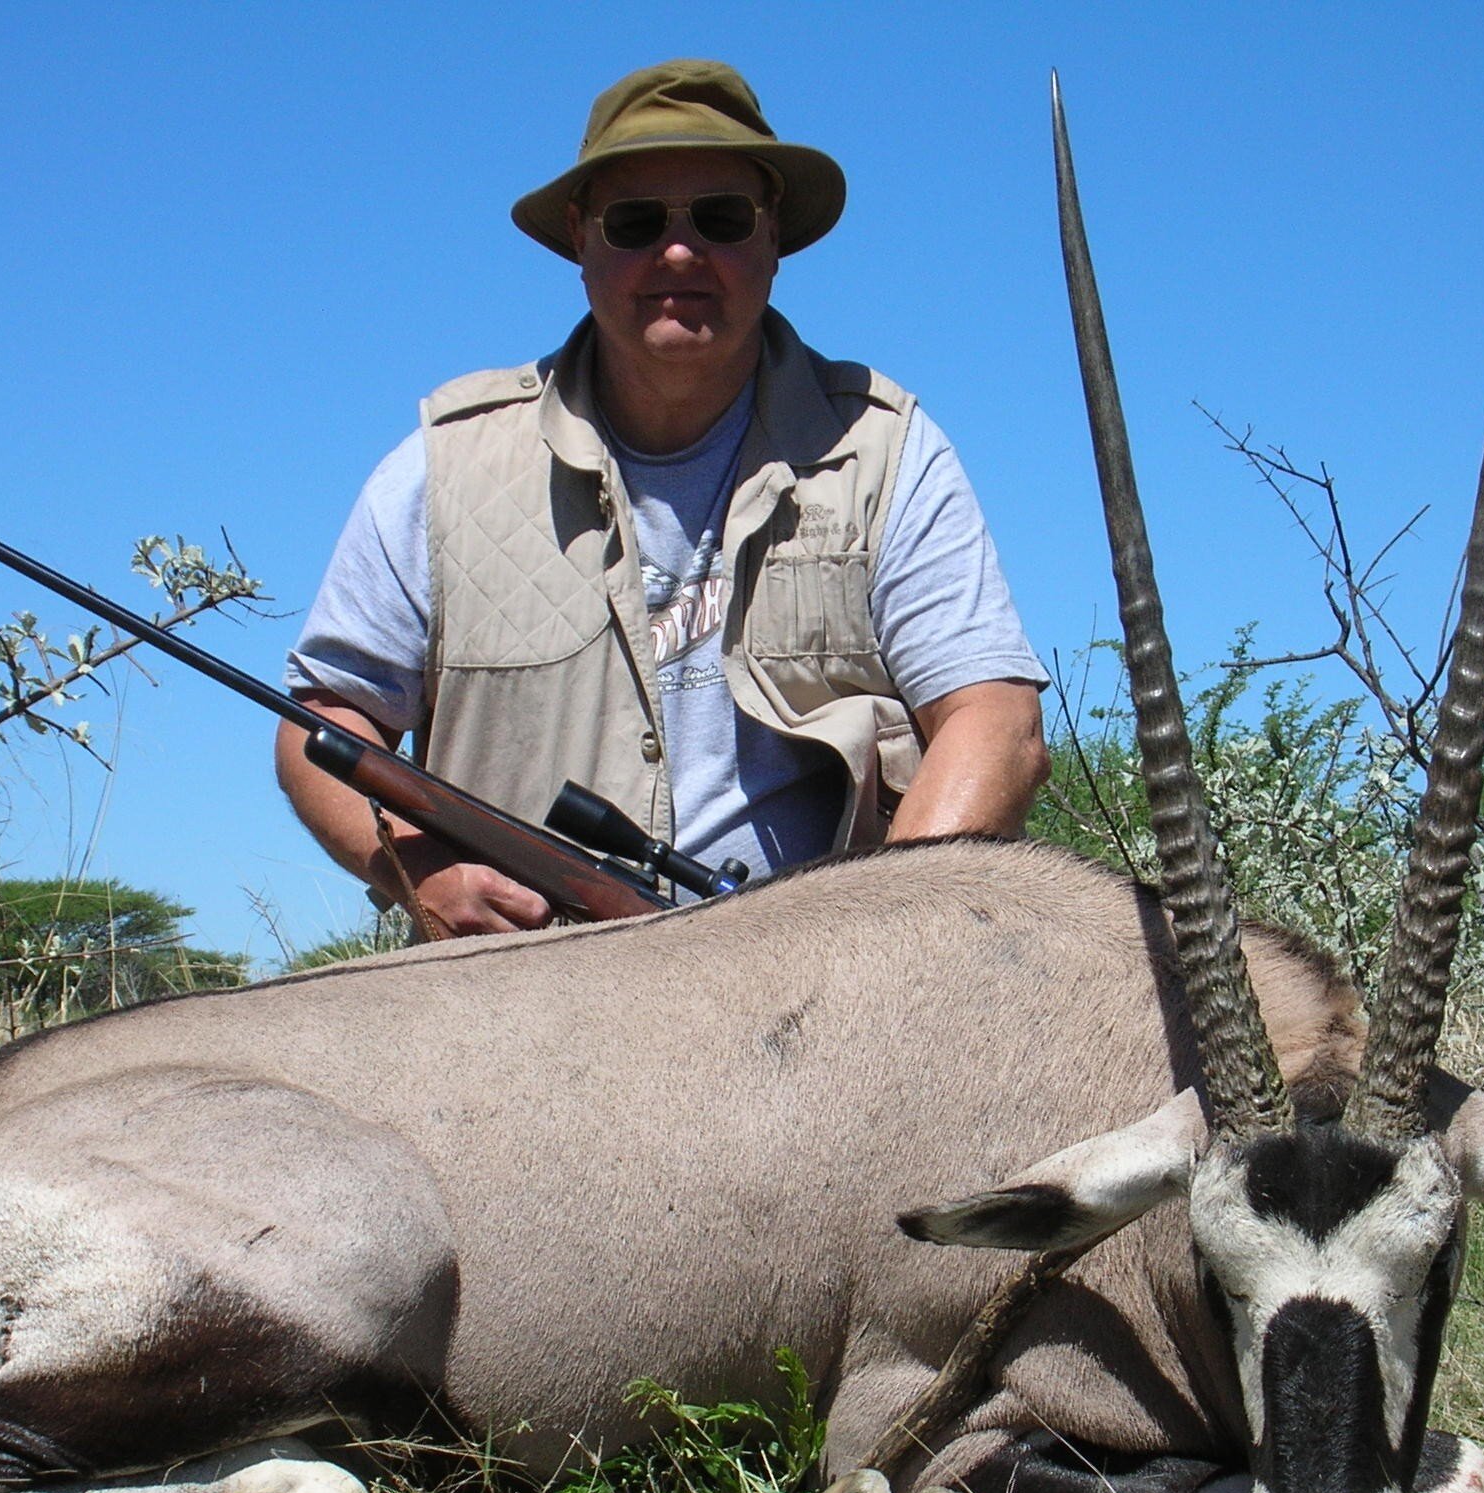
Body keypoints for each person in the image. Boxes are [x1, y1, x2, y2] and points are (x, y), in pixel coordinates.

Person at [280, 60, 1049, 934]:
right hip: (505, 1000)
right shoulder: (439, 466)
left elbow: (996, 723)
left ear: (774, 240)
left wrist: (874, 952)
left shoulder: (886, 449)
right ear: (579, 239)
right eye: (635, 221)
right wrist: (417, 867)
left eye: (721, 218)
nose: (678, 252)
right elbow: (326, 720)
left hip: (817, 1006)